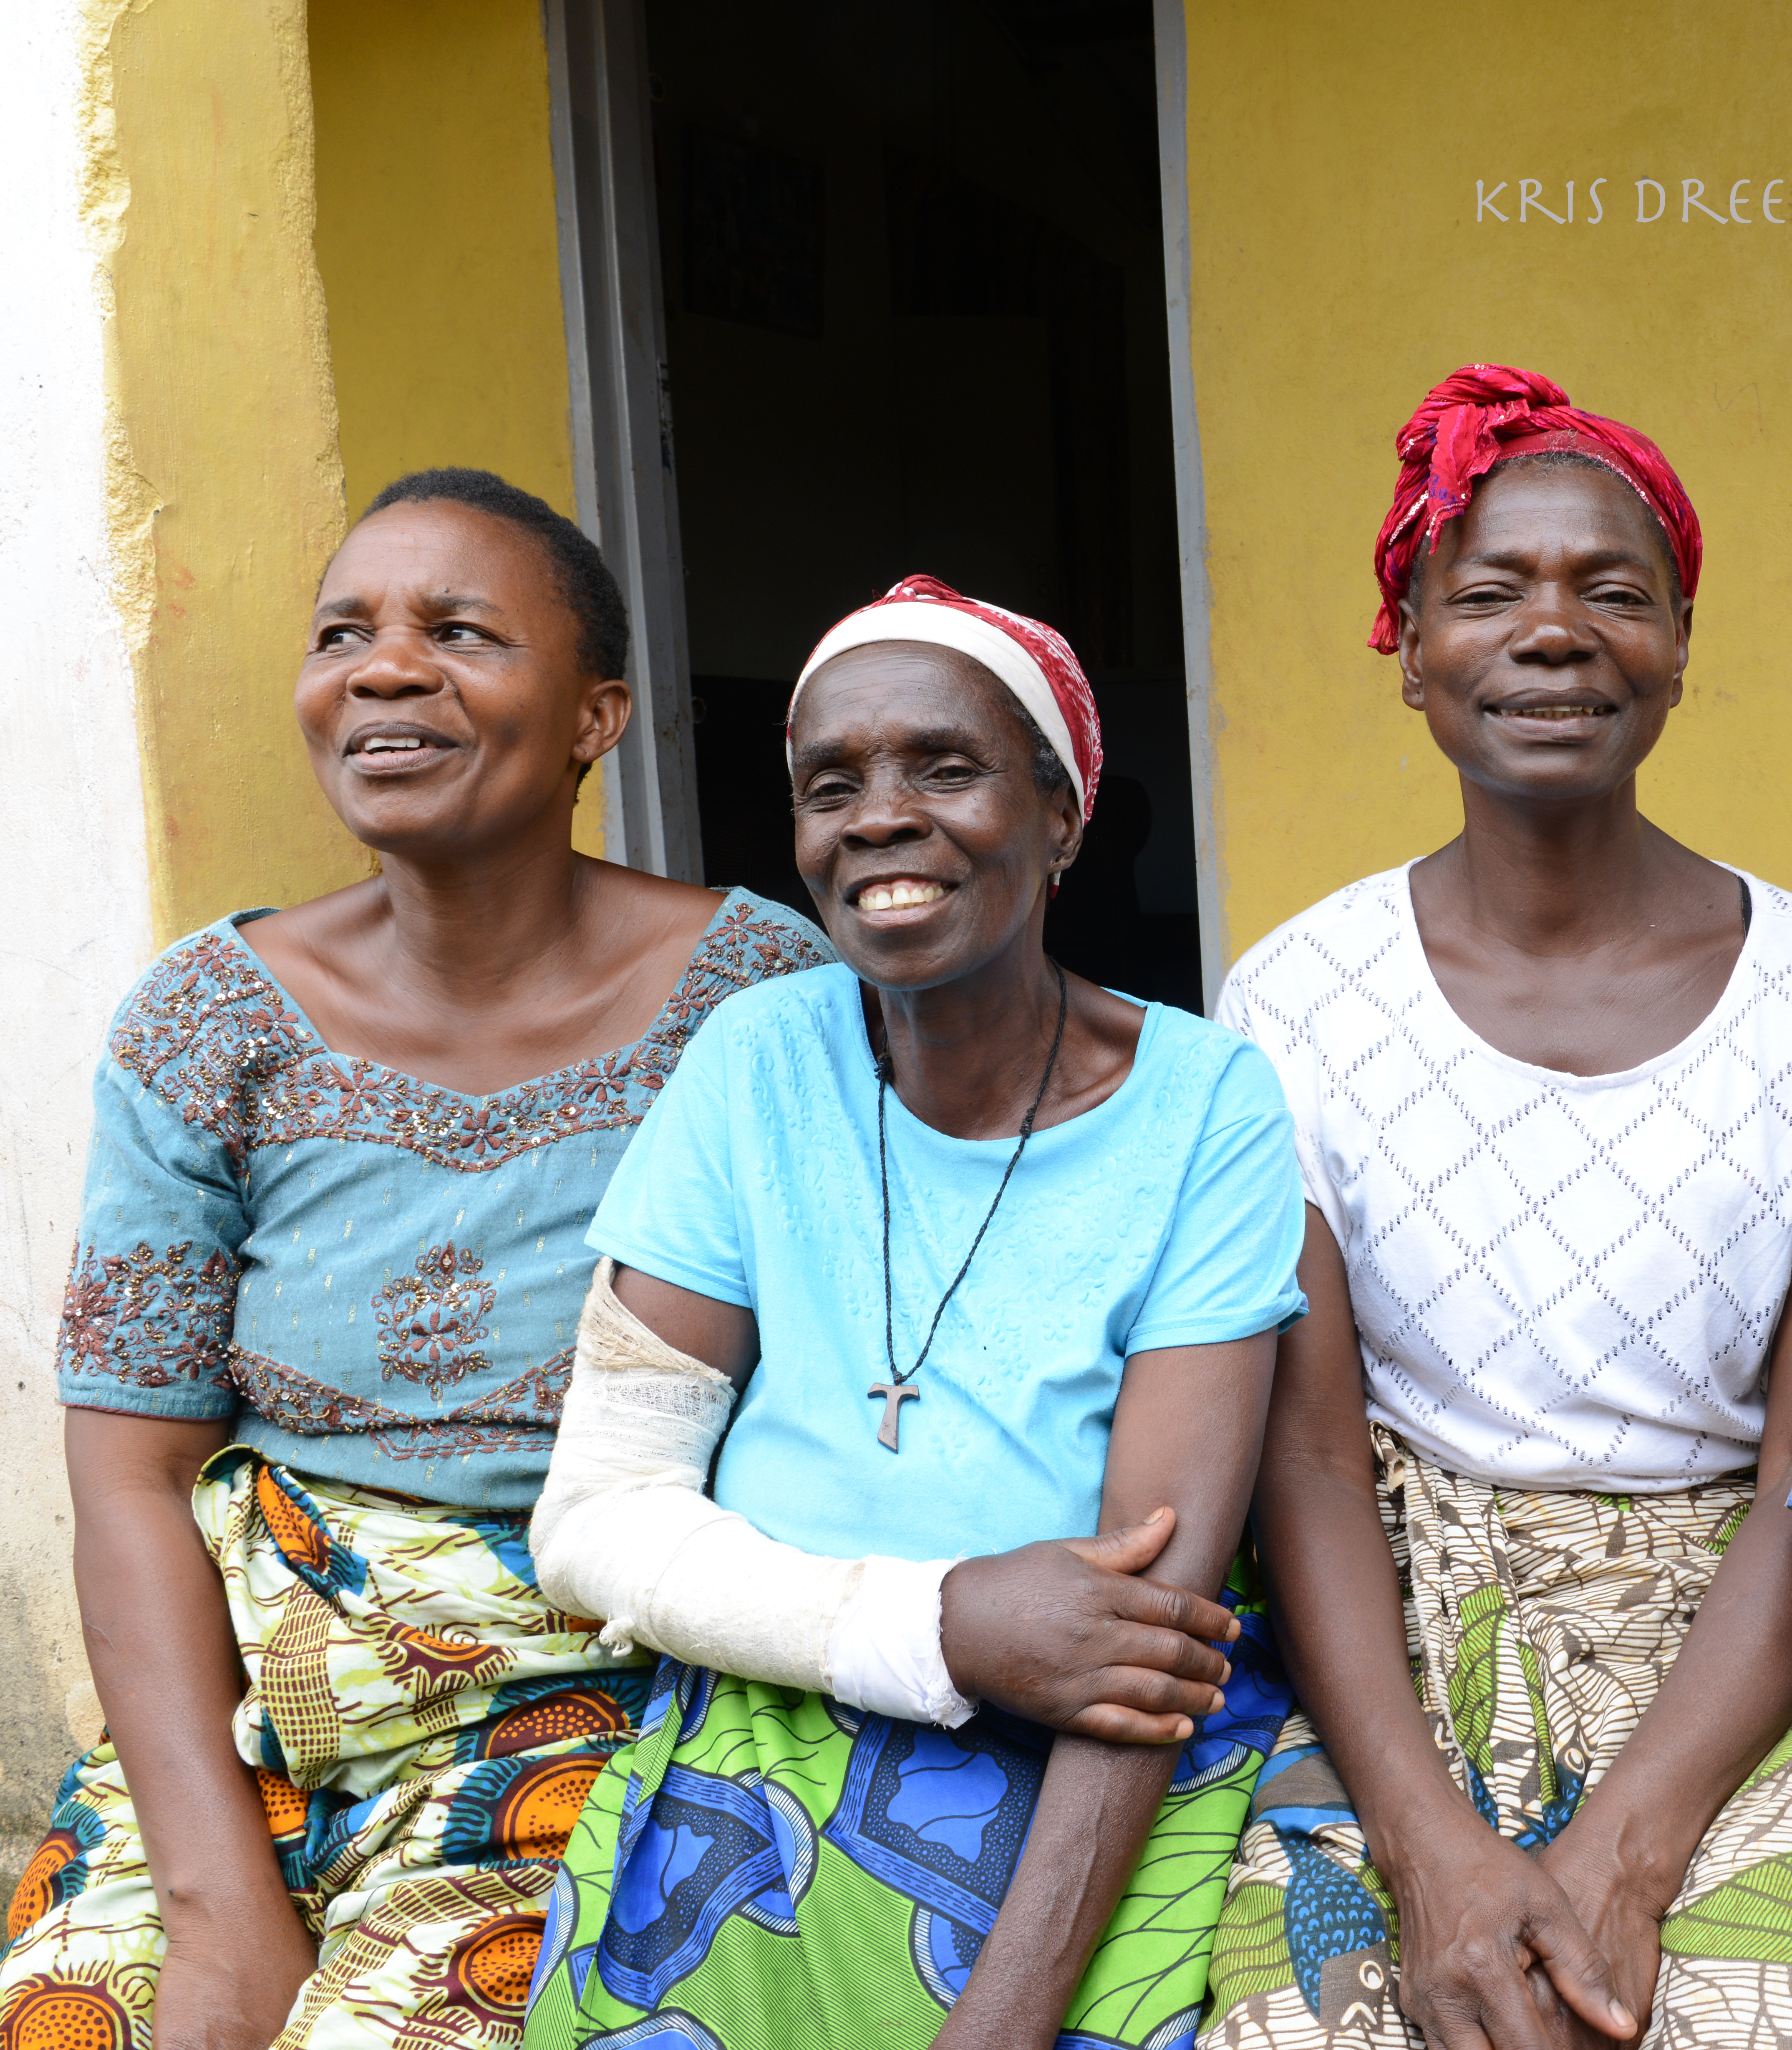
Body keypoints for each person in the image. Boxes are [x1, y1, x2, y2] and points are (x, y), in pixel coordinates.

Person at [0, 468, 831, 2050]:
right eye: (344, 634)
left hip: (589, 1692)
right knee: (79, 2018)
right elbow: (130, 1474)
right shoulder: (205, 1020)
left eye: (459, 632)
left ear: (596, 719)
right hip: (253, 1708)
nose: (384, 669)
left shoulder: (759, 1003)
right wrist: (215, 1904)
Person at [1207, 366, 1792, 2050]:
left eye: (1614, 592)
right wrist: (1422, 1846)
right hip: (1393, 1646)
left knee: (1789, 2016)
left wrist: (1631, 1846)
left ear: (1678, 647)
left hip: (1741, 1649)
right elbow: (1308, 1463)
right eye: (1488, 594)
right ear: (1409, 650)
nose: (1554, 632)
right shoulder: (1297, 996)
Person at [520, 574, 1309, 2050]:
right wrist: (931, 1626)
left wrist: (1005, 2016)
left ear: (1063, 816)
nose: (879, 818)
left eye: (946, 769)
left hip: (1094, 1750)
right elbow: (596, 1518)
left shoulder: (1207, 1106)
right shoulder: (756, 1062)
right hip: (767, 1708)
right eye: (833, 786)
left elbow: (1151, 1633)